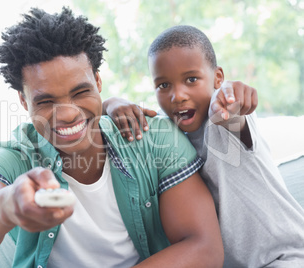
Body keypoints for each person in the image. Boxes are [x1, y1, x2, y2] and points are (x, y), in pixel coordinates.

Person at [0, 9, 224, 268]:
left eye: (80, 93)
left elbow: (205, 248)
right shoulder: (14, 156)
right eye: (46, 101)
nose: (67, 115)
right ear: (23, 100)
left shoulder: (154, 138)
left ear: (98, 82)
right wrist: (7, 205)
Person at [103, 25, 304, 267]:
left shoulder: (223, 118)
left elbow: (235, 110)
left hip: (286, 256)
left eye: (191, 79)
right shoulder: (166, 136)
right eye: (164, 85)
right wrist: (112, 103)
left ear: (217, 77)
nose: (178, 95)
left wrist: (232, 95)